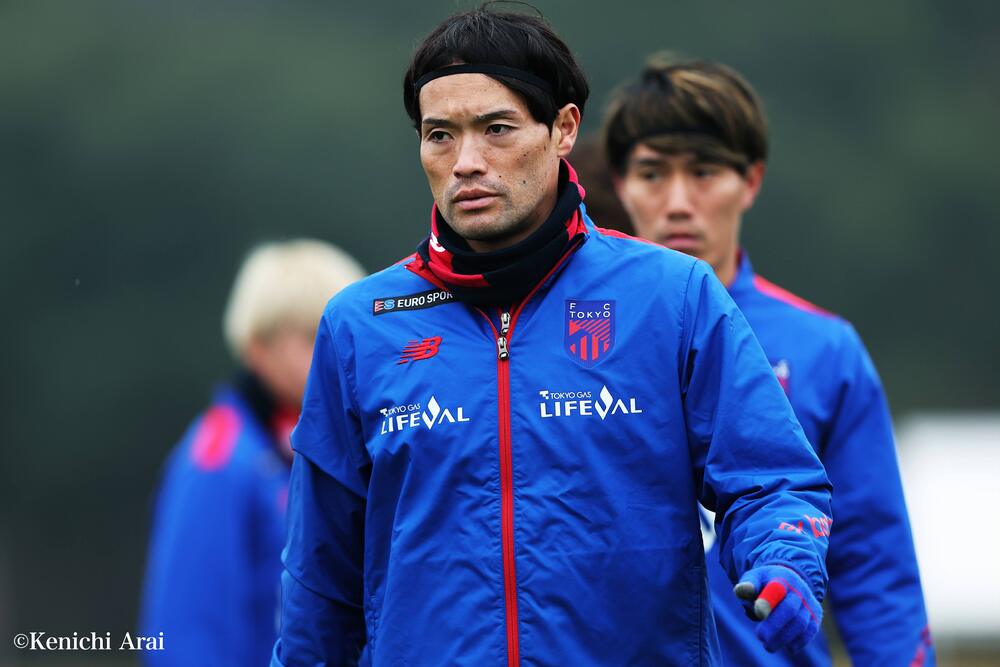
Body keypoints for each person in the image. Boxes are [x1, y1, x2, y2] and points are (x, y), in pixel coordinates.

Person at [272, 7, 835, 666]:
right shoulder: (360, 324)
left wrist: (784, 558)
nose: (466, 162)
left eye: (497, 129)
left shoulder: (673, 295)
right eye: (440, 135)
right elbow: (317, 583)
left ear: (563, 129)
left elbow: (771, 479)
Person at [603, 54, 934, 665]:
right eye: (652, 174)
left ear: (751, 181)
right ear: (621, 185)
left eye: (704, 172)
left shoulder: (825, 351)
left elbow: (875, 573)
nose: (678, 201)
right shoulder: (575, 343)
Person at [140, 239, 365, 666]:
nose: (335, 352)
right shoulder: (218, 463)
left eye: (344, 334)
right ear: (258, 347)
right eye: (312, 337)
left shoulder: (322, 444)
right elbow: (190, 633)